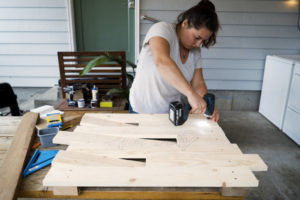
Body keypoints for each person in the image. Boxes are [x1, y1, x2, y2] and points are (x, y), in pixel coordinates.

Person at [129, 0, 220, 122]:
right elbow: (162, 62)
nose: (199, 44)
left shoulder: (195, 51)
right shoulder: (162, 29)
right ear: (185, 23)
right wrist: (191, 94)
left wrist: (206, 106)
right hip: (143, 109)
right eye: (197, 37)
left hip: (171, 112)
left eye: (203, 41)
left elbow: (198, 84)